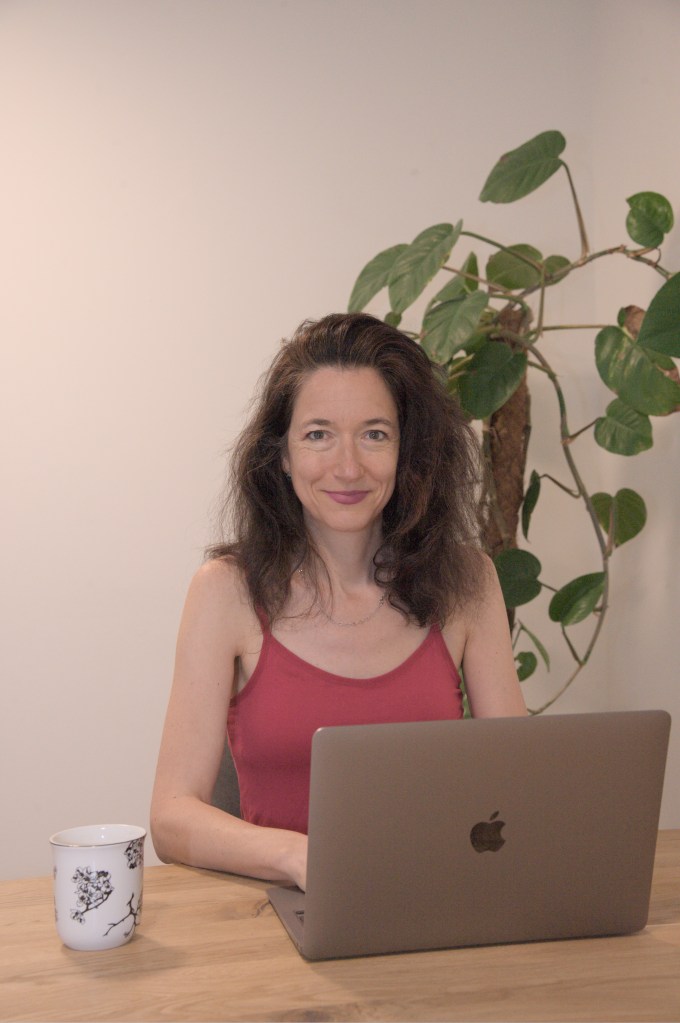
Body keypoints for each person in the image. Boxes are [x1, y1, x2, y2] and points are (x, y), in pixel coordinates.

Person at [150, 312, 526, 891]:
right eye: (318, 434)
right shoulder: (225, 591)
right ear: (281, 454)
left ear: (408, 451)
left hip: (436, 901)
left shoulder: (468, 582)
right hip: (279, 918)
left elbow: (518, 786)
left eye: (375, 434)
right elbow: (173, 816)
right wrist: (300, 859)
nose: (347, 467)